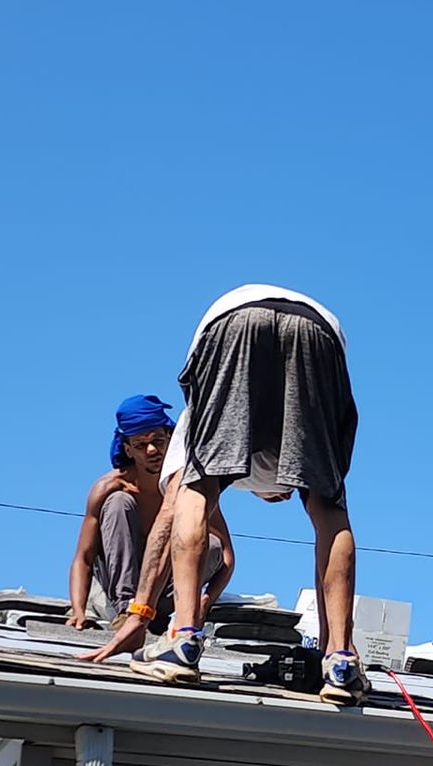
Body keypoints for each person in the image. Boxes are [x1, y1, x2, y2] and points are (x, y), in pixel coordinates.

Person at [85, 285, 366, 704]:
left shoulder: (222, 443)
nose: (279, 495)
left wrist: (142, 616)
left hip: (234, 320)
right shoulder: (277, 447)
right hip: (319, 330)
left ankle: (182, 640)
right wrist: (138, 614)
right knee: (328, 506)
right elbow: (165, 517)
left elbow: (174, 510)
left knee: (197, 489)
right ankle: (340, 661)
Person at [66, 394, 232, 631]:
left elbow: (225, 555)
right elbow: (83, 558)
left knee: (210, 542)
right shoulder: (109, 487)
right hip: (117, 592)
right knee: (118, 503)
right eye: (141, 445)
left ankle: (159, 613)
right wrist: (78, 611)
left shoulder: (189, 486)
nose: (152, 450)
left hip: (162, 597)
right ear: (128, 450)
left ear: (170, 438)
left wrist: (205, 600)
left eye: (158, 441)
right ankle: (126, 612)